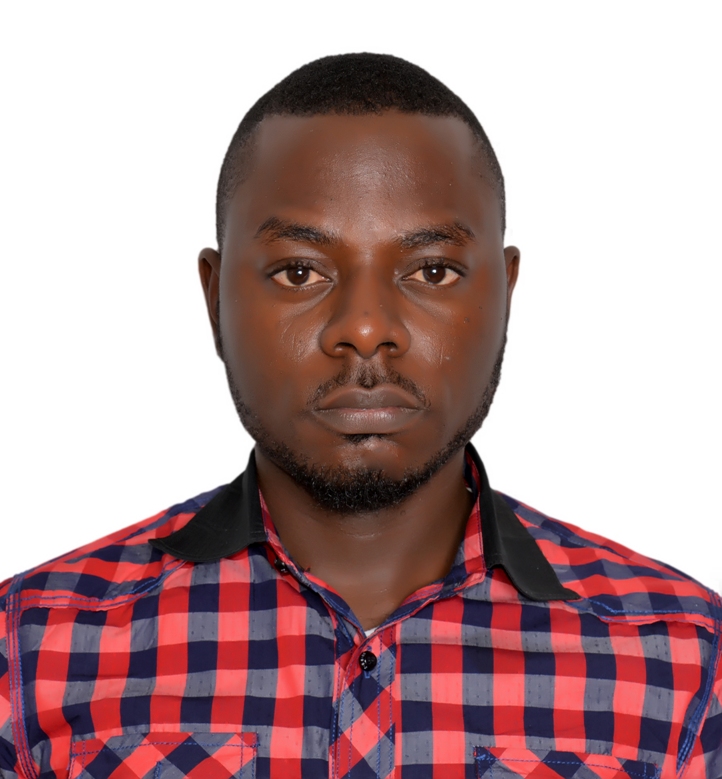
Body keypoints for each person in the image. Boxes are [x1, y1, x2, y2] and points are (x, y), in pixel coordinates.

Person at [0, 53, 719, 779]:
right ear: (215, 300)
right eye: (299, 272)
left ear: (505, 294)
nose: (367, 328)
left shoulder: (686, 666)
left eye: (432, 270)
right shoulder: (30, 651)